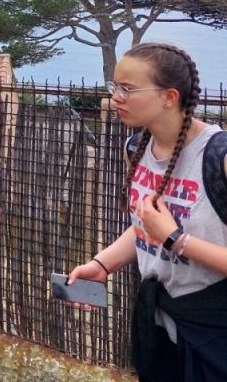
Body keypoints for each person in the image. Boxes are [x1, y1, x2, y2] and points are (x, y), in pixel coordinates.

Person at [68, 43, 227, 381]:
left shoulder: (219, 157)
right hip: (159, 325)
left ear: (169, 97)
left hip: (215, 333)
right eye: (114, 87)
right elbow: (146, 227)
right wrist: (102, 264)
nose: (116, 98)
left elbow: (164, 232)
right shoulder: (136, 149)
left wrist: (176, 240)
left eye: (127, 89)